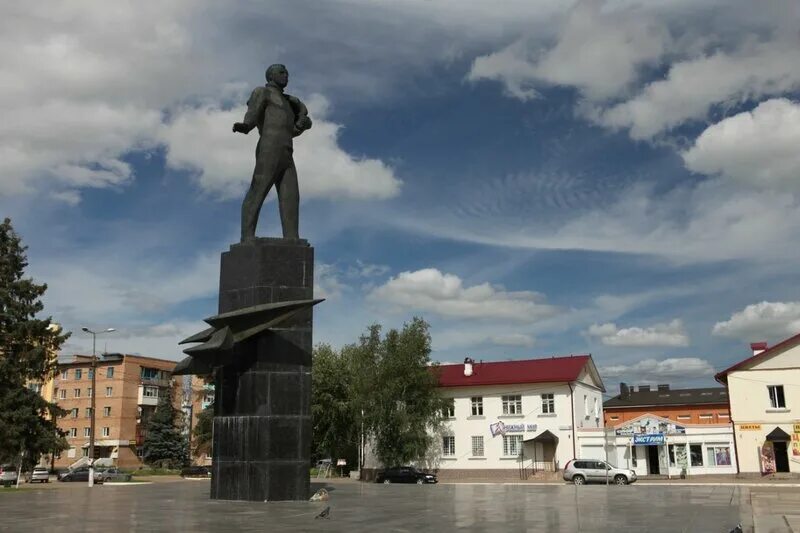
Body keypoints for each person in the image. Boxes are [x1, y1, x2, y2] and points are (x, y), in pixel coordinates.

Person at [233, 64, 312, 241]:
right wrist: (246, 126)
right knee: (258, 189)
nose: (286, 76)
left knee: (291, 195)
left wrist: (301, 123)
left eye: (287, 73)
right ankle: (247, 236)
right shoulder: (263, 92)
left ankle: (292, 237)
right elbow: (252, 113)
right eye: (282, 72)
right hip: (270, 146)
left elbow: (291, 130)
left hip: (287, 151)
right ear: (270, 76)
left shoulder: (288, 102)